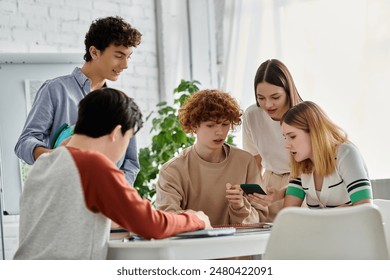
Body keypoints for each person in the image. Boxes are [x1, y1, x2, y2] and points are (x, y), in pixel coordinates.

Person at [13, 88, 210, 260]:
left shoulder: (46, 162)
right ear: (116, 133)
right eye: (128, 138)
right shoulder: (92, 164)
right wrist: (197, 219)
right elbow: (151, 225)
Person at [14, 16, 141, 185]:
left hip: (106, 204)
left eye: (129, 57)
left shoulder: (121, 105)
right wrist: (56, 157)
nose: (125, 65)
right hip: (63, 197)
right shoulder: (56, 90)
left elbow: (131, 163)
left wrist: (114, 190)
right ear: (94, 52)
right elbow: (25, 143)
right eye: (119, 55)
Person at [155, 89, 267, 226]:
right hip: (192, 245)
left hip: (238, 245)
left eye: (225, 124)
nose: (219, 132)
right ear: (194, 125)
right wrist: (199, 220)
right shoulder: (172, 170)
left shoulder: (246, 162)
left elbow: (261, 217)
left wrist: (240, 207)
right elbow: (168, 219)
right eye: (210, 125)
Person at [267, 101, 372, 209]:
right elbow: (289, 214)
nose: (286, 145)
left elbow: (365, 209)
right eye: (285, 137)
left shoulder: (346, 154)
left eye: (292, 137)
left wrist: (325, 217)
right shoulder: (301, 165)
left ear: (314, 132)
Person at [242, 58, 303, 221]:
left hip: (302, 182)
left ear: (288, 91)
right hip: (270, 184)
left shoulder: (305, 115)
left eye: (275, 97)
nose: (268, 105)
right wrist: (252, 196)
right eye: (261, 98)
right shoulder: (252, 115)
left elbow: (315, 167)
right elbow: (254, 162)